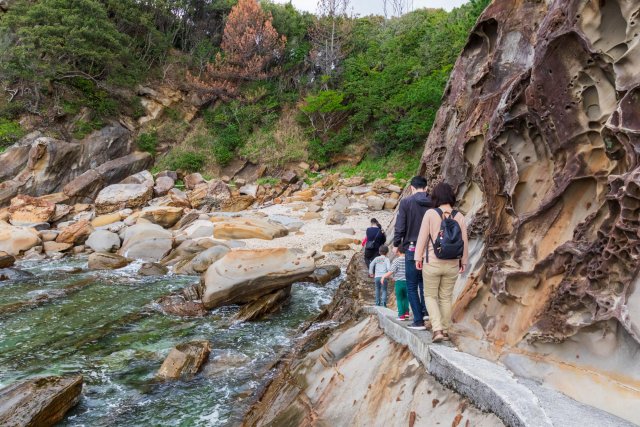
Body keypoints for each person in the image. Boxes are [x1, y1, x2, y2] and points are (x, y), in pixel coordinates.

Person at [414, 182, 469, 340]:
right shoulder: (459, 216)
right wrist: (463, 262)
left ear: (435, 197)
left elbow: (422, 238)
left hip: (432, 262)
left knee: (430, 296)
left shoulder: (431, 214)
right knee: (446, 297)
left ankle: (437, 329)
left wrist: (418, 258)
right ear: (451, 196)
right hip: (452, 263)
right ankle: (444, 330)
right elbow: (464, 241)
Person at [392, 176, 433, 330]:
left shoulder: (406, 202)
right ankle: (425, 310)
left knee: (411, 284)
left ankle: (418, 320)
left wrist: (396, 244)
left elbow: (400, 226)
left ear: (411, 188)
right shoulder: (434, 201)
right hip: (430, 249)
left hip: (412, 247)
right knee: (425, 282)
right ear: (426, 188)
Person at [383, 246, 409, 321]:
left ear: (398, 252)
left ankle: (401, 315)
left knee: (399, 299)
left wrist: (383, 276)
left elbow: (391, 270)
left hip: (399, 282)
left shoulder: (396, 260)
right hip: (408, 281)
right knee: (406, 298)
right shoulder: (409, 260)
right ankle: (406, 313)